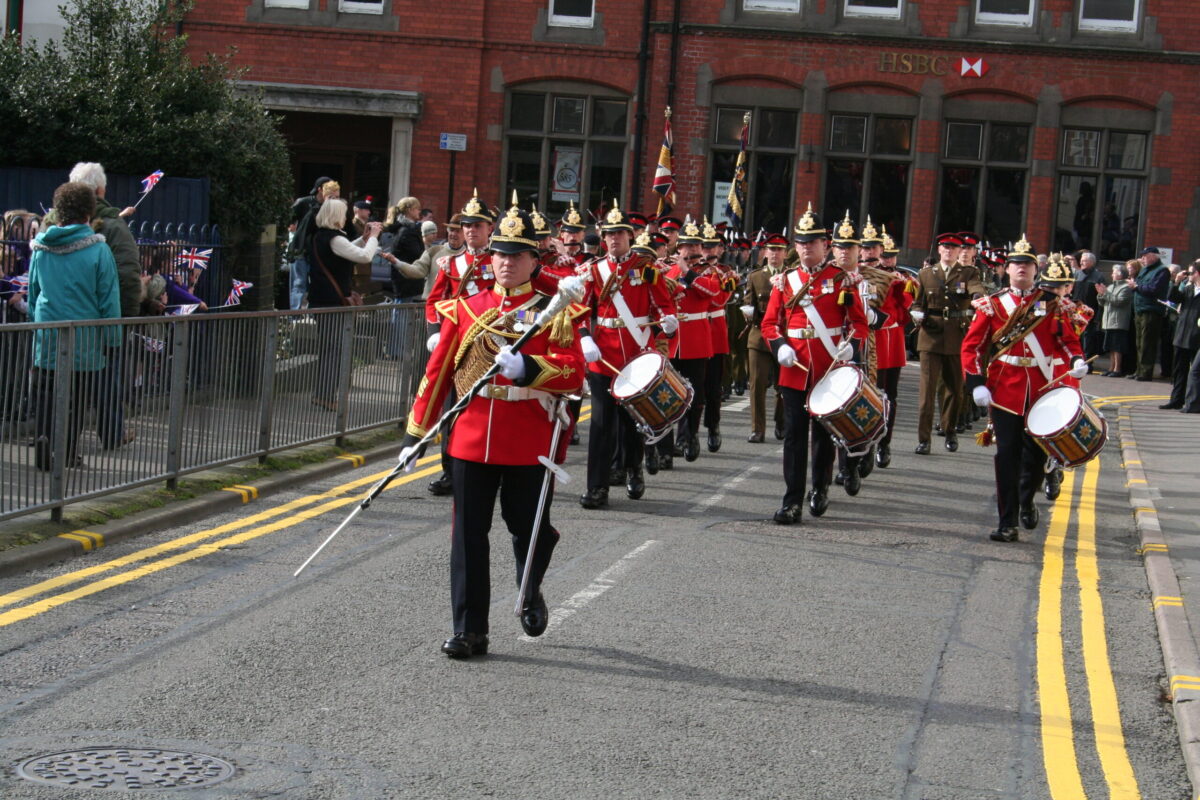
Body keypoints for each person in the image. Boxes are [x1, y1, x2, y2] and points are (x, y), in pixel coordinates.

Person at [397, 204, 588, 658]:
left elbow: (574, 375)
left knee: (530, 528)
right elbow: (437, 373)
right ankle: (470, 629)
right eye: (500, 254)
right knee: (467, 536)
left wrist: (528, 369)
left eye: (517, 255)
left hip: (527, 437)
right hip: (470, 435)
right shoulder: (468, 308)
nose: (506, 262)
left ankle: (530, 587)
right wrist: (415, 436)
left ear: (534, 260)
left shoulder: (554, 311)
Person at [962, 237, 1086, 542]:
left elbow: (1066, 340)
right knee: (1007, 455)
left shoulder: (1050, 303)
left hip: (1043, 389)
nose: (1021, 269)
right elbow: (972, 347)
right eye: (1016, 264)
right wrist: (976, 383)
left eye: (1027, 265)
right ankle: (1008, 521)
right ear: (1007, 269)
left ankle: (1027, 499)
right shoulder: (992, 304)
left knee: (1034, 457)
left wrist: (1078, 358)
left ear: (1035, 270)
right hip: (1005, 391)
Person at [760, 206, 868, 524]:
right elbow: (769, 324)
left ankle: (819, 488)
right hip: (794, 369)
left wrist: (852, 346)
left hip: (828, 368)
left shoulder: (842, 280)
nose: (807, 247)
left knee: (823, 435)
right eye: (801, 242)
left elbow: (858, 323)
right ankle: (791, 499)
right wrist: (779, 346)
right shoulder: (785, 281)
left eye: (813, 242)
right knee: (794, 435)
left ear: (825, 245)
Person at [577, 202, 677, 509]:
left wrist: (668, 324)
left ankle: (634, 469)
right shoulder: (593, 270)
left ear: (630, 236)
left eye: (620, 233)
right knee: (600, 424)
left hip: (636, 354)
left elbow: (663, 306)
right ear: (603, 237)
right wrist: (583, 337)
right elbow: (580, 310)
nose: (614, 239)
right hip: (603, 356)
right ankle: (597, 486)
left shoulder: (645, 268)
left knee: (633, 419)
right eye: (610, 234)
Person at [27, 182, 123, 470]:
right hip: (85, 341)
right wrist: (113, 341)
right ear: (88, 214)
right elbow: (109, 301)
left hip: (48, 337)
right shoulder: (99, 251)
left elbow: (33, 294)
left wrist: (37, 327)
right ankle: (67, 454)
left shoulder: (41, 248)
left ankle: (44, 451)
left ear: (59, 213)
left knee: (45, 397)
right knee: (76, 401)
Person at [420, 191, 497, 497]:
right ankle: (450, 471)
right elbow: (435, 300)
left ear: (489, 228)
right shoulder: (451, 264)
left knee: (488, 407)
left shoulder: (500, 259)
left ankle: (490, 465)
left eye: (477, 225)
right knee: (452, 410)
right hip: (458, 345)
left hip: (490, 345)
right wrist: (436, 330)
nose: (471, 230)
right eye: (467, 225)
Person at [911, 232, 985, 454]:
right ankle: (924, 439)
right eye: (946, 247)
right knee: (927, 392)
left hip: (956, 336)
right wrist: (915, 313)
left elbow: (976, 289)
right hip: (930, 336)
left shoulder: (969, 272)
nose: (950, 251)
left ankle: (950, 430)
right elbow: (918, 302)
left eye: (954, 248)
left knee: (955, 390)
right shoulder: (926, 274)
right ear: (939, 250)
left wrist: (978, 299)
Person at [307, 198, 381, 411]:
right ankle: (326, 396)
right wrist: (374, 238)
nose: (346, 217)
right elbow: (364, 257)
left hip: (321, 300)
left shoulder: (321, 236)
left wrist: (363, 238)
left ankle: (322, 394)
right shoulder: (333, 238)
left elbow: (345, 251)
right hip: (332, 302)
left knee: (329, 350)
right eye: (344, 213)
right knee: (334, 351)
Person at [662, 217, 718, 463]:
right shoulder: (668, 269)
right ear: (679, 247)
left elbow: (712, 292)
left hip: (696, 337)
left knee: (694, 393)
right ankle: (665, 447)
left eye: (696, 245)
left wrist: (689, 272)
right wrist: (678, 272)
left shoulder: (708, 270)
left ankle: (688, 436)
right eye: (687, 245)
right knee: (668, 394)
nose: (693, 250)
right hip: (673, 339)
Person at [742, 231, 787, 443]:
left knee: (784, 386)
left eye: (779, 250)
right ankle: (757, 428)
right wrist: (747, 311)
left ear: (785, 254)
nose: (775, 254)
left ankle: (781, 420)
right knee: (756, 384)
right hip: (759, 336)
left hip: (785, 339)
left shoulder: (792, 275)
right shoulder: (756, 276)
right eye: (772, 250)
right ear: (765, 252)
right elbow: (748, 302)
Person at [288, 177, 337, 310]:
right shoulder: (304, 202)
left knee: (315, 283)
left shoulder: (331, 206)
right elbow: (288, 219)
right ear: (320, 189)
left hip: (318, 250)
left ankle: (310, 313)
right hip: (302, 249)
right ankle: (295, 316)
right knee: (299, 283)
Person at [1161, 262, 1200, 409]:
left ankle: (1193, 403)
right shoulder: (1189, 289)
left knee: (1195, 372)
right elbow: (1173, 298)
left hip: (1196, 337)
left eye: (1191, 273)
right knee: (1179, 370)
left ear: (1198, 274)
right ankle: (1176, 400)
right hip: (1182, 334)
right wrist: (1175, 282)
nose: (1188, 276)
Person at [1129, 246, 1170, 381]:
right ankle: (1139, 370)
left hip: (1151, 310)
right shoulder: (1145, 270)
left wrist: (1136, 287)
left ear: (1154, 256)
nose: (1142, 259)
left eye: (1145, 256)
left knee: (1148, 343)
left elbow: (1154, 289)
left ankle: (1145, 372)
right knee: (1139, 342)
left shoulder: (1162, 271)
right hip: (1140, 308)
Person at [1096, 262, 1134, 376]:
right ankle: (1111, 367)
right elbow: (1102, 303)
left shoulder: (1126, 287)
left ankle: (1117, 369)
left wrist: (1105, 293)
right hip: (1108, 320)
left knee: (1117, 346)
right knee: (1110, 346)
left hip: (1118, 321)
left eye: (1114, 273)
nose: (1112, 275)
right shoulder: (1111, 286)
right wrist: (1100, 294)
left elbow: (1119, 302)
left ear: (1120, 274)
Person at [1072, 251, 1106, 362]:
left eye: (1084, 260)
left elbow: (1102, 295)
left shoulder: (1099, 276)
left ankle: (1088, 361)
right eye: (1081, 260)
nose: (1081, 262)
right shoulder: (1077, 274)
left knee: (1088, 337)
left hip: (1091, 311)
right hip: (1076, 310)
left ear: (1091, 262)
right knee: (1077, 335)